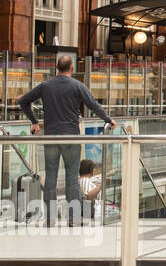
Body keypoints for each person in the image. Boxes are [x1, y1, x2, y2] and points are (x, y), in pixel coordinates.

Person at [18, 54, 116, 225]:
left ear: (56, 68)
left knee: (50, 176)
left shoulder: (45, 86)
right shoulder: (77, 86)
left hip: (50, 137)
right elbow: (93, 105)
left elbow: (24, 101)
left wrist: (34, 122)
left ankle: (50, 218)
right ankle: (73, 218)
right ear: (72, 68)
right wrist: (108, 120)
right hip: (71, 135)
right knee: (71, 177)